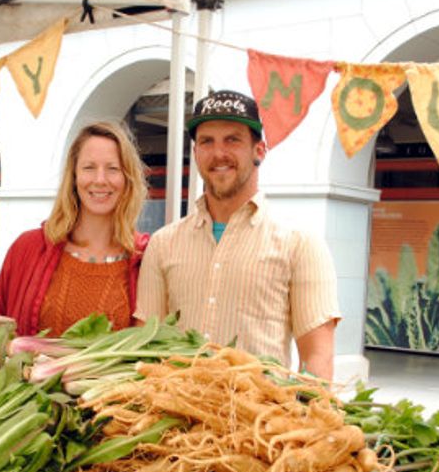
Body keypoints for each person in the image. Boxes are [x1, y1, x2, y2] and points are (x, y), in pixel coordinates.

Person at [134, 90, 341, 378]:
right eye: (207, 141)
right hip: (177, 415)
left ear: (259, 151)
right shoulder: (164, 244)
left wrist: (308, 415)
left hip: (259, 417)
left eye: (233, 139)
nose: (219, 153)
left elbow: (317, 356)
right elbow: (146, 344)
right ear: (195, 154)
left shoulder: (300, 244)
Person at [0, 121, 149, 336]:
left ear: (128, 179)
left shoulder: (145, 260)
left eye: (113, 169)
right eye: (89, 168)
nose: (100, 180)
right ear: (73, 177)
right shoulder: (28, 248)